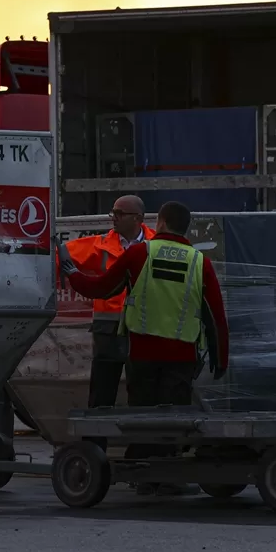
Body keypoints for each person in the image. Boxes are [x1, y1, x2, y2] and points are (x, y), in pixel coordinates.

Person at [59, 200, 229, 493]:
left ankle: (141, 470)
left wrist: (71, 272)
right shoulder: (200, 261)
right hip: (181, 352)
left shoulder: (141, 253)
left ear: (159, 222)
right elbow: (215, 314)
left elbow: (101, 288)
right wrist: (220, 355)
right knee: (173, 415)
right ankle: (165, 473)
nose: (114, 218)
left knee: (142, 413)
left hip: (143, 350)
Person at [59, 195, 155, 409]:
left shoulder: (155, 246)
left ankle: (141, 439)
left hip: (142, 328)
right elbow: (60, 256)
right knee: (102, 392)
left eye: (120, 213)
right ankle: (95, 441)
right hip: (108, 330)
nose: (114, 217)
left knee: (141, 391)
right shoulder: (100, 245)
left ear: (138, 218)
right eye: (113, 212)